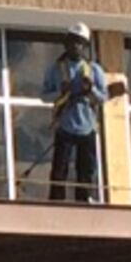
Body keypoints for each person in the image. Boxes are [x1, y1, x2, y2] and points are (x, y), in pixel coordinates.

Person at [42, 23, 119, 203]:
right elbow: (44, 96)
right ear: (66, 44)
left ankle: (83, 200)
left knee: (85, 169)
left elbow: (103, 97)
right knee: (60, 168)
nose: (76, 47)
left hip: (87, 126)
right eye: (73, 42)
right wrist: (60, 93)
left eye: (80, 43)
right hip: (65, 125)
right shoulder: (55, 70)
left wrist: (91, 90)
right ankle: (56, 200)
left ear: (85, 46)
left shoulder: (94, 70)